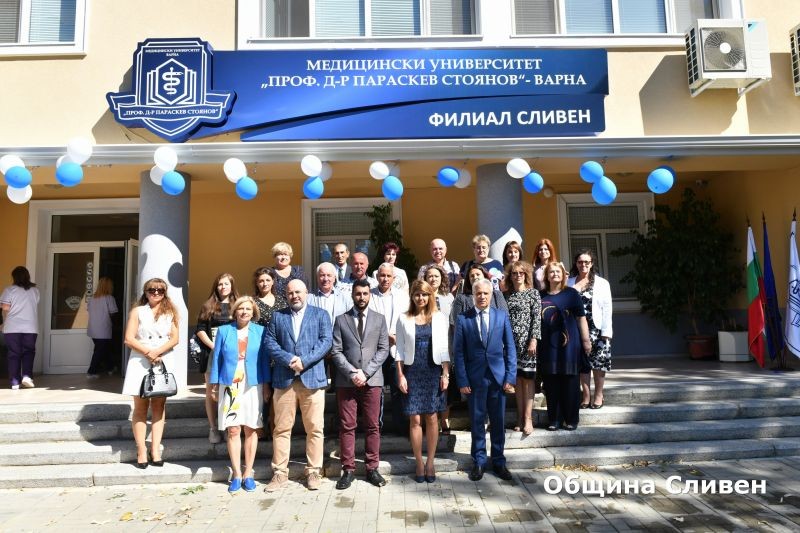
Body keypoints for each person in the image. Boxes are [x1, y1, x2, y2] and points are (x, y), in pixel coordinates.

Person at [263, 279, 332, 492]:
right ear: (286, 295)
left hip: (312, 379)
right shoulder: (278, 316)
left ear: (306, 293)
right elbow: (269, 343)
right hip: (284, 380)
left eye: (298, 292)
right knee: (281, 428)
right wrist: (289, 359)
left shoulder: (320, 315)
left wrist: (305, 361)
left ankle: (313, 471)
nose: (295, 296)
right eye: (291, 293)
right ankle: (279, 473)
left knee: (315, 428)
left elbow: (326, 342)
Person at [453, 279, 516, 482]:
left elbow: (510, 348)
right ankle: (479, 461)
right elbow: (458, 353)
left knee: (498, 422)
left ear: (491, 295)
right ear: (473, 295)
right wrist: (462, 380)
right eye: (478, 293)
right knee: (477, 421)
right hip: (475, 379)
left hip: (498, 378)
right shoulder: (463, 319)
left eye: (485, 293)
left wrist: (510, 377)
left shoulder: (501, 316)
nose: (482, 297)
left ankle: (498, 461)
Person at [330, 279, 391, 489]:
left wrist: (365, 372)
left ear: (370, 295)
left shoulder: (379, 319)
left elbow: (383, 349)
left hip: (372, 380)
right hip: (346, 382)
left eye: (365, 293)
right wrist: (352, 372)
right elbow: (336, 351)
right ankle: (348, 469)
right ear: (352, 295)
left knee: (373, 425)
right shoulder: (341, 320)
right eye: (358, 294)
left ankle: (372, 468)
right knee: (347, 426)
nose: (362, 297)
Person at [209, 296, 271, 493]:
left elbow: (264, 360)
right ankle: (236, 474)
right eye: (241, 308)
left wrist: (267, 385)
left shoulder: (260, 331)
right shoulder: (224, 331)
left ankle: (248, 473)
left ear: (253, 313)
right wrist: (213, 385)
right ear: (235, 311)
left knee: (251, 428)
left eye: (248, 309)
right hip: (230, 384)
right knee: (233, 429)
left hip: (253, 384)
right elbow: (217, 359)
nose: (244, 312)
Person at [121, 278, 179, 468]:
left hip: (163, 359)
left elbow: (175, 338)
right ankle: (141, 449)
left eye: (160, 290)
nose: (156, 293)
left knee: (159, 406)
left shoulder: (170, 312)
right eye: (152, 290)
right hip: (140, 359)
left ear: (165, 293)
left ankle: (155, 449)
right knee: (140, 406)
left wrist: (157, 352)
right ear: (145, 292)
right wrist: (148, 352)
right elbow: (129, 339)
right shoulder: (138, 311)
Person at [395, 280, 450, 483]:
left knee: (432, 417)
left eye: (425, 294)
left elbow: (444, 348)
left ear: (430, 296)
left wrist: (445, 374)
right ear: (412, 296)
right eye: (417, 294)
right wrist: (400, 375)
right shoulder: (403, 318)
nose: (421, 298)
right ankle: (419, 462)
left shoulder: (439, 317)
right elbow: (399, 350)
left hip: (433, 370)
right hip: (412, 371)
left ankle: (431, 462)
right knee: (415, 419)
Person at [539, 262, 592, 432]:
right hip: (547, 346)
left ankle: (571, 419)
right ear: (546, 276)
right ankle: (554, 419)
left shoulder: (571, 294)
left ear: (563, 275)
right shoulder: (540, 295)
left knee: (570, 383)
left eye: (558, 271)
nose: (555, 274)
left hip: (570, 346)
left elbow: (581, 318)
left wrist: (586, 340)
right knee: (551, 383)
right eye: (551, 272)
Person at [567, 249, 613, 410]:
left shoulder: (602, 283)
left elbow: (607, 308)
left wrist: (607, 332)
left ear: (591, 263)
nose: (583, 265)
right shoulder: (569, 282)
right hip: (575, 329)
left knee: (599, 363)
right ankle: (586, 395)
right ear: (576, 264)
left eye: (586, 262)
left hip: (597, 329)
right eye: (580, 262)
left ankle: (599, 395)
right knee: (582, 364)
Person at [196, 273, 239, 444]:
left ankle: (228, 427)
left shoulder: (238, 305)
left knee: (230, 389)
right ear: (216, 286)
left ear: (232, 286)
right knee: (211, 392)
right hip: (212, 353)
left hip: (233, 353)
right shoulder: (208, 306)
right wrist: (214, 346)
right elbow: (200, 329)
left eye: (226, 284)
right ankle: (213, 428)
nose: (223, 287)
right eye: (220, 284)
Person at [368, 263, 409, 435]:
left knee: (398, 389)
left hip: (396, 350)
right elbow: (366, 321)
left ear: (394, 278)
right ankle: (376, 427)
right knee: (375, 390)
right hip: (375, 350)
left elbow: (408, 321)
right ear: (377, 277)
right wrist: (385, 336)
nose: (385, 279)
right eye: (382, 275)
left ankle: (401, 428)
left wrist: (397, 338)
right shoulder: (369, 295)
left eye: (388, 276)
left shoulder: (403, 297)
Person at [503, 261, 541, 435]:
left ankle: (528, 418)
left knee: (528, 380)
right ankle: (519, 417)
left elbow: (536, 319)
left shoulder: (533, 293)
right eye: (514, 273)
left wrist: (533, 340)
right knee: (517, 380)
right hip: (511, 344)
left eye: (521, 273)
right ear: (510, 276)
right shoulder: (506, 295)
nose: (518, 275)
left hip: (528, 343)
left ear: (526, 275)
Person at [0, 266, 40, 390]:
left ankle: (15, 382)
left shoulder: (9, 290)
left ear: (14, 277)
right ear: (28, 276)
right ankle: (27, 376)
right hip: (31, 327)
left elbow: (5, 307)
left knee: (14, 354)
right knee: (28, 352)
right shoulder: (35, 291)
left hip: (12, 327)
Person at [86, 276, 119, 378]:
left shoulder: (92, 298)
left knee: (104, 349)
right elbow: (113, 312)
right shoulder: (109, 298)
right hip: (103, 328)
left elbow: (89, 310)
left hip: (93, 328)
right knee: (100, 351)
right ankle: (91, 372)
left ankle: (110, 367)